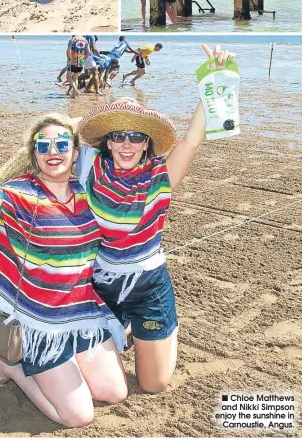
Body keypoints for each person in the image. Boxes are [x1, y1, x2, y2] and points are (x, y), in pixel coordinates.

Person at [0, 114, 128, 427]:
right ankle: (13, 367)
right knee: (79, 416)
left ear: (75, 153)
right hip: (40, 321)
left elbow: (122, 157)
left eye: (62, 144)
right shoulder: (21, 193)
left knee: (114, 392)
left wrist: (81, 121)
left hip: (83, 314)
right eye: (43, 145)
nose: (52, 151)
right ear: (34, 155)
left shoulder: (88, 190)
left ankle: (59, 365)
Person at [75, 44, 236, 393]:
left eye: (137, 136)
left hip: (147, 287)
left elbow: (192, 141)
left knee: (154, 384)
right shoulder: (89, 167)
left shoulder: (159, 177)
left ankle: (160, 327)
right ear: (108, 142)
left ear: (148, 144)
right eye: (119, 136)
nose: (127, 144)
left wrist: (215, 79)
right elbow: (55, 140)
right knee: (101, 384)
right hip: (98, 286)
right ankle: (122, 332)